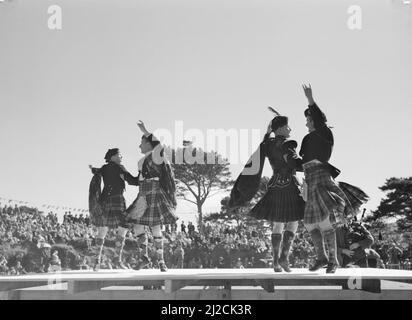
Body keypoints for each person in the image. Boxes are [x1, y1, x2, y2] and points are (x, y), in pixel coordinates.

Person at [299, 84, 368, 273]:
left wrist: (310, 100)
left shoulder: (324, 133)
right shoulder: (307, 139)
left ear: (314, 120)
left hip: (321, 177)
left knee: (325, 223)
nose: (306, 123)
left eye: (308, 120)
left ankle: (333, 261)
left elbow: (321, 120)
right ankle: (321, 258)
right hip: (310, 179)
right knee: (310, 223)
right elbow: (300, 163)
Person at [229, 109, 305, 272]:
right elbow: (295, 164)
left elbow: (259, 155)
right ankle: (284, 258)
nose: (290, 129)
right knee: (293, 221)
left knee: (277, 224)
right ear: (281, 128)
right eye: (288, 126)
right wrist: (309, 161)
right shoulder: (288, 144)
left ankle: (276, 262)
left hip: (275, 185)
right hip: (290, 185)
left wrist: (268, 132)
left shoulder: (267, 144)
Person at [124, 121, 178, 272]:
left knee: (155, 227)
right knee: (137, 226)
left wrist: (145, 131)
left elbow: (159, 145)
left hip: (154, 191)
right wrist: (124, 174)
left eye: (141, 143)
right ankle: (144, 258)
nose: (139, 146)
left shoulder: (156, 156)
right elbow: (138, 180)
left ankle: (161, 261)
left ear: (149, 144)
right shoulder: (141, 161)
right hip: (142, 193)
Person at [89, 148, 139, 270]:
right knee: (123, 228)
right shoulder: (119, 167)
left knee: (102, 230)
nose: (121, 157)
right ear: (113, 157)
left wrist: (92, 169)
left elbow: (97, 171)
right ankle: (117, 260)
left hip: (104, 200)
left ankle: (97, 262)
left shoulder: (104, 168)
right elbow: (133, 181)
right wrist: (141, 175)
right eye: (119, 155)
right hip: (117, 199)